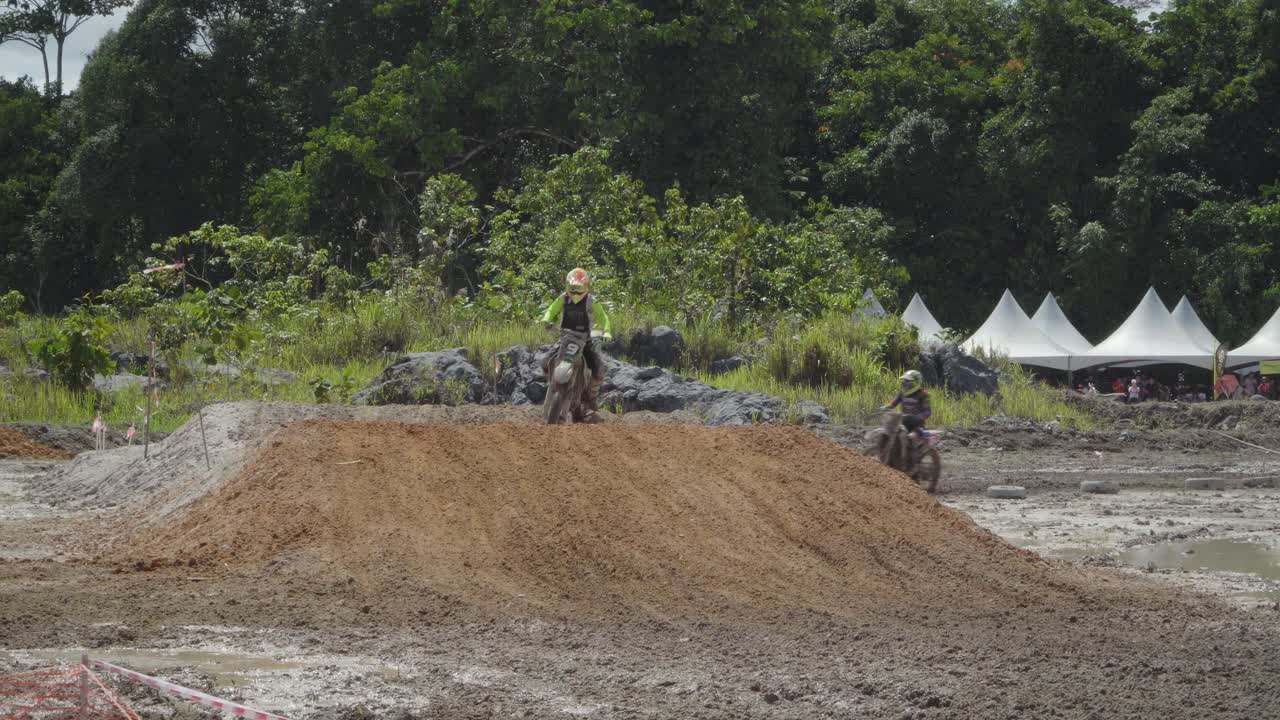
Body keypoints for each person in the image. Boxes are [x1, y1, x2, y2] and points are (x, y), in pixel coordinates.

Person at [541, 267, 613, 420]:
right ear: (568, 287)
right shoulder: (562, 298)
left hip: (585, 340)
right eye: (572, 289)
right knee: (545, 361)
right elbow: (551, 310)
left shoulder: (591, 301)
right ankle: (552, 382)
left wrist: (606, 330)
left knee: (599, 367)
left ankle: (592, 397)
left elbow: (603, 317)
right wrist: (547, 319)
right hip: (565, 338)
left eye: (579, 289)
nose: (575, 293)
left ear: (585, 288)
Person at [883, 370, 932, 440]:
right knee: (891, 434)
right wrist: (884, 407)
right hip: (903, 423)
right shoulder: (902, 393)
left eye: (907, 381)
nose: (904, 383)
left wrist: (918, 417)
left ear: (916, 382)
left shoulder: (923, 394)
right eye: (904, 381)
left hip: (917, 425)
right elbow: (893, 404)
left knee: (911, 437)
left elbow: (928, 412)